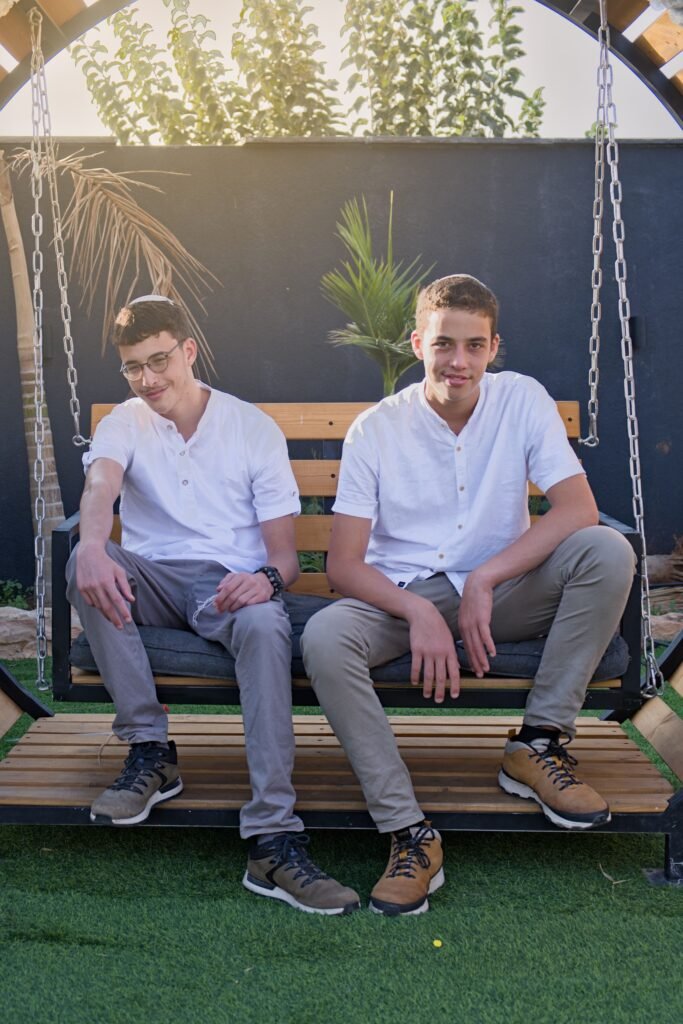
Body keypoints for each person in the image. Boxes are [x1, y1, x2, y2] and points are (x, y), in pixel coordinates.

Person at [301, 274, 636, 917]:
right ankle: (409, 834)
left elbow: (577, 510)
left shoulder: (522, 401)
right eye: (444, 344)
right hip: (403, 600)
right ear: (417, 342)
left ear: (493, 346)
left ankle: (536, 745)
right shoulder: (377, 429)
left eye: (474, 346)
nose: (459, 362)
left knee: (607, 549)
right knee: (324, 634)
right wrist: (420, 609)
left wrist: (484, 577)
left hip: (504, 595)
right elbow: (343, 565)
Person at [66, 295, 360, 916]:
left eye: (160, 360)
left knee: (261, 619)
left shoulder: (250, 427)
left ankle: (271, 836)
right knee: (84, 560)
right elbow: (101, 484)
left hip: (227, 587)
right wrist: (93, 543)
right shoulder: (124, 421)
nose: (148, 379)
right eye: (133, 367)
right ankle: (151, 751)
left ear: (188, 351)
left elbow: (285, 561)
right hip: (150, 582)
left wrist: (264, 582)